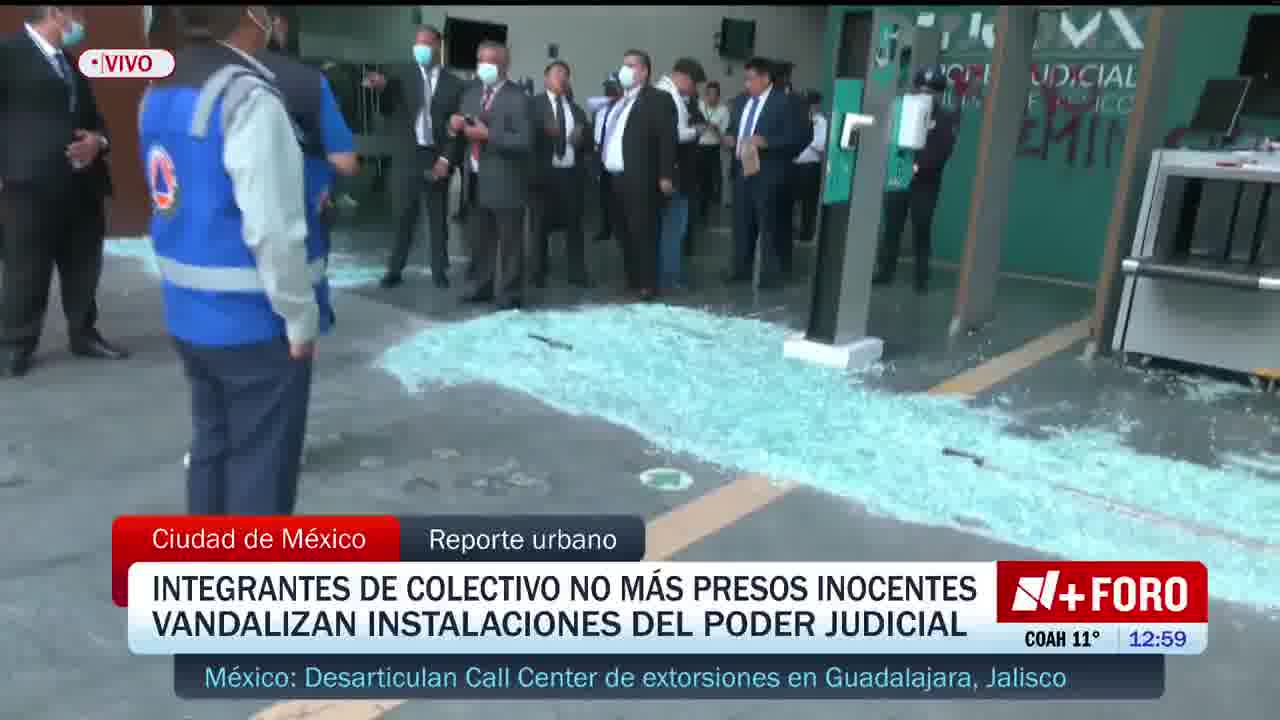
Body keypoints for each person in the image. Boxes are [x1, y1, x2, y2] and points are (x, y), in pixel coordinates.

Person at [139, 5, 327, 515]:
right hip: (254, 322)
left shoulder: (158, 91)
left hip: (189, 314)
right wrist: (300, 317)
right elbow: (273, 228)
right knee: (261, 469)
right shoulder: (248, 98)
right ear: (250, 14)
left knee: (212, 449)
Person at [0, 6, 126, 379]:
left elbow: (94, 117)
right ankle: (15, 344)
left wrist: (98, 141)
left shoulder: (70, 63)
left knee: (83, 264)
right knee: (26, 268)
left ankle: (84, 334)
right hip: (29, 184)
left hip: (82, 184)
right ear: (57, 12)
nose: (83, 22)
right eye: (79, 14)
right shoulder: (9, 54)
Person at [365, 24, 466, 290]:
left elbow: (457, 131)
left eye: (426, 43)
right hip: (407, 158)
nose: (420, 48)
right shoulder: (399, 76)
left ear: (437, 46)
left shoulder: (454, 84)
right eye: (417, 43)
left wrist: (447, 159)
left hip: (436, 156)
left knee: (437, 218)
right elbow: (387, 110)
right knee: (403, 216)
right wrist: (382, 88)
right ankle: (395, 269)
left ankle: (439, 270)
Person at [450, 41, 532, 310]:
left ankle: (511, 294)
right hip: (474, 179)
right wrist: (455, 126)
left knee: (510, 244)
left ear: (504, 65)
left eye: (490, 61)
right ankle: (479, 287)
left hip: (507, 183)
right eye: (480, 60)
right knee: (479, 240)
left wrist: (488, 136)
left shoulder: (518, 97)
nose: (483, 66)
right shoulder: (471, 94)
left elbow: (524, 140)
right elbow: (462, 131)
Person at [874, 64, 959, 294]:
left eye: (931, 91)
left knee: (921, 227)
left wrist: (918, 167)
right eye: (921, 90)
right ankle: (885, 271)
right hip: (899, 175)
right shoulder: (901, 111)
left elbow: (942, 150)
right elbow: (890, 140)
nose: (925, 95)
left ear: (938, 94)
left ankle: (921, 278)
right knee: (891, 226)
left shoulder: (946, 117)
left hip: (925, 183)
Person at [600, 49, 676, 301]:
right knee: (623, 231)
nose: (625, 70)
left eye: (631, 65)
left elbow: (667, 139)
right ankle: (632, 277)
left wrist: (665, 174)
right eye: (623, 65)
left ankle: (647, 284)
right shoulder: (622, 99)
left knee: (643, 230)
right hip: (616, 178)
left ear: (644, 71)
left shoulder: (658, 98)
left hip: (642, 177)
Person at [722, 57, 804, 289]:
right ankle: (740, 268)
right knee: (741, 221)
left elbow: (799, 137)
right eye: (745, 79)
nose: (747, 84)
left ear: (766, 78)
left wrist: (769, 142)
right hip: (741, 169)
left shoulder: (785, 103)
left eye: (751, 79)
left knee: (769, 224)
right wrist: (730, 137)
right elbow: (734, 128)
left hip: (769, 172)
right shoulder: (740, 102)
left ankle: (770, 274)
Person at [530, 60, 592, 289]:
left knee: (575, 225)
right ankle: (537, 273)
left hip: (570, 176)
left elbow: (588, 142)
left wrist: (582, 138)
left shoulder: (576, 110)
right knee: (538, 227)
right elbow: (524, 137)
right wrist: (541, 131)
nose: (562, 78)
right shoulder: (533, 105)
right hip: (542, 176)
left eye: (566, 74)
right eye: (557, 74)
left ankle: (577, 273)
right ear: (546, 78)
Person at [654, 57, 705, 292]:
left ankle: (667, 274)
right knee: (673, 229)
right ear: (684, 77)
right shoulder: (668, 96)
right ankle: (670, 277)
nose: (694, 91)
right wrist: (696, 131)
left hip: (667, 172)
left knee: (668, 228)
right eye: (694, 85)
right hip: (672, 173)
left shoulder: (663, 92)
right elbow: (672, 135)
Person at [789, 90, 827, 245]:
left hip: (811, 166)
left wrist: (806, 139)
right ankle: (792, 229)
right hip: (795, 165)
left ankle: (806, 233)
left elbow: (820, 144)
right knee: (791, 200)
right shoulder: (799, 120)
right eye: (807, 103)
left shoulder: (821, 121)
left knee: (808, 202)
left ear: (817, 105)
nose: (809, 107)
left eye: (812, 104)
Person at [591, 74, 623, 245]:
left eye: (612, 86)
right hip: (601, 157)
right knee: (603, 196)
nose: (608, 90)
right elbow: (596, 131)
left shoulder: (624, 109)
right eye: (607, 87)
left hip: (616, 159)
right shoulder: (600, 109)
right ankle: (605, 228)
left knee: (618, 196)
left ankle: (619, 230)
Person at [696, 81, 729, 225]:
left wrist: (716, 129)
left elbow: (725, 140)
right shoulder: (699, 106)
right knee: (697, 183)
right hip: (698, 149)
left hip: (713, 149)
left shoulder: (723, 111)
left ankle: (707, 216)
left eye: (715, 95)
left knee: (712, 183)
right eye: (709, 94)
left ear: (719, 96)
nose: (712, 98)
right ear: (705, 95)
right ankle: (696, 214)